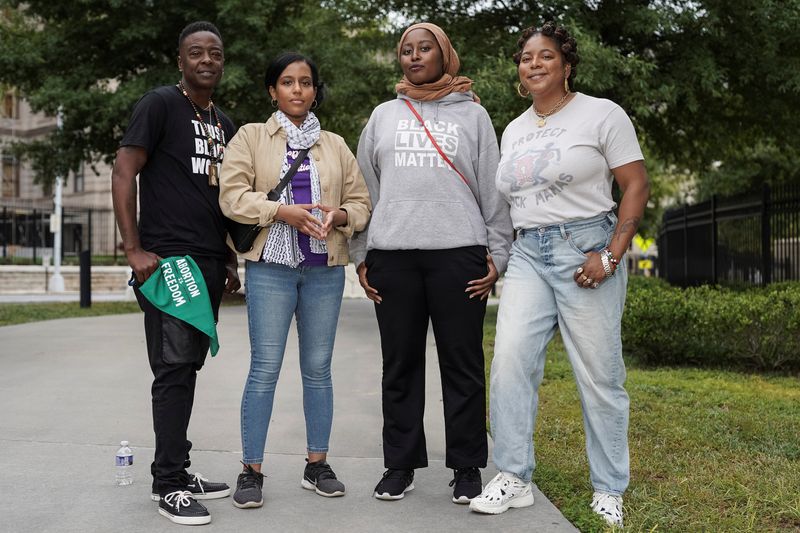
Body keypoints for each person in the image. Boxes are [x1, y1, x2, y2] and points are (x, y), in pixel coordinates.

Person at [468, 22, 650, 528]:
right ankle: (514, 477)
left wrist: (611, 254)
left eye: (545, 55)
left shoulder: (602, 114)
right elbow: (508, 203)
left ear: (566, 65)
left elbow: (635, 185)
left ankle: (609, 487)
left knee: (600, 375)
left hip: (585, 247)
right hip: (529, 252)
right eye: (526, 57)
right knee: (508, 363)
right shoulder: (515, 128)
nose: (534, 64)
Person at [350, 22, 513, 504]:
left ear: (445, 55)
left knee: (462, 364)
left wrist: (498, 255)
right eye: (406, 50)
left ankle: (466, 466)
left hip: (459, 255)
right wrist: (362, 255)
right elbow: (364, 190)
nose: (415, 57)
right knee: (399, 365)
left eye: (425, 49)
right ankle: (400, 464)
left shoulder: (474, 117)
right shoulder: (382, 116)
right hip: (393, 257)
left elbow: (493, 190)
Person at [218, 52, 371, 509]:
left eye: (306, 82)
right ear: (273, 90)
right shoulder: (249, 137)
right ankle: (251, 470)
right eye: (288, 82)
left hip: (323, 270)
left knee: (318, 370)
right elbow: (232, 197)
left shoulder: (336, 145)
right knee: (264, 369)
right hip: (270, 268)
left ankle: (316, 464)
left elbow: (362, 204)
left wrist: (340, 213)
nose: (298, 90)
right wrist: (280, 211)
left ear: (314, 90)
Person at [111, 21, 241, 526]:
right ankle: (168, 484)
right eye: (195, 53)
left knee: (185, 370)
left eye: (214, 52)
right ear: (180, 60)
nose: (206, 59)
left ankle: (177, 468)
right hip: (168, 263)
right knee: (173, 371)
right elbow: (125, 171)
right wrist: (134, 247)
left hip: (208, 261)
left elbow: (221, 197)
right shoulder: (160, 104)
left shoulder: (224, 123)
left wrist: (228, 257)